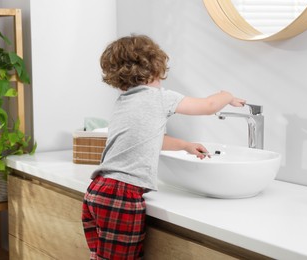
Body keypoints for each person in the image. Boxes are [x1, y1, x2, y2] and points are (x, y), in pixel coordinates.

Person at [82, 35, 245, 260]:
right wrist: (226, 95)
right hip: (122, 195)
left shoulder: (124, 101)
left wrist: (185, 146)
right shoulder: (160, 97)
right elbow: (208, 106)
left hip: (97, 191)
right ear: (156, 66)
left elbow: (148, 138)